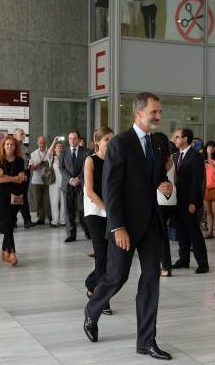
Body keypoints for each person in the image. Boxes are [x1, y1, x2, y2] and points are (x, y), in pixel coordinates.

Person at [84, 92, 173, 360]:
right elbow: (111, 189)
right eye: (154, 112)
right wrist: (118, 226)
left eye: (159, 111)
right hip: (125, 225)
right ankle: (92, 311)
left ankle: (146, 341)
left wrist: (165, 186)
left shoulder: (159, 143)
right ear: (139, 113)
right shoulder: (121, 143)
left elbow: (157, 177)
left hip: (151, 225)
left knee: (150, 281)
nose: (158, 116)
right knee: (116, 277)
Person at [84, 127, 114, 316]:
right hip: (95, 212)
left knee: (110, 257)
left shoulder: (115, 160)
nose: (110, 142)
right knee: (101, 254)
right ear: (98, 142)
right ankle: (102, 299)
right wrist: (107, 209)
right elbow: (90, 191)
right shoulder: (90, 160)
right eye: (107, 140)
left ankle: (91, 284)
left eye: (112, 139)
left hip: (111, 213)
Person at [171, 128, 209, 273]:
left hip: (189, 202)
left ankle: (203, 264)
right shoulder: (175, 156)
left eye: (177, 137)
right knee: (181, 232)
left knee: (194, 233)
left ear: (185, 139)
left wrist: (193, 202)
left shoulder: (196, 156)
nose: (174, 139)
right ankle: (183, 260)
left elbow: (197, 182)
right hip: (177, 201)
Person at [0, 135, 24, 267]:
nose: (9, 147)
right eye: (7, 144)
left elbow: (22, 179)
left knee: (10, 223)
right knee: (7, 221)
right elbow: (0, 180)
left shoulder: (20, 161)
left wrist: (8, 177)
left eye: (12, 144)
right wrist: (14, 178)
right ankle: (12, 252)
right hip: (1, 195)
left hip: (16, 196)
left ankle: (3, 250)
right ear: (3, 146)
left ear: (15, 146)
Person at [60, 130, 89, 242]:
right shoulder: (64, 152)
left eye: (74, 138)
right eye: (70, 138)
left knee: (83, 210)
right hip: (67, 185)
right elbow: (61, 168)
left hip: (80, 185)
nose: (72, 140)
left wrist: (79, 179)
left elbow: (86, 167)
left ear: (79, 139)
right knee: (68, 211)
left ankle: (88, 232)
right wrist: (71, 179)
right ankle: (71, 235)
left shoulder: (85, 152)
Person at [156, 133, 176, 277]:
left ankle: (166, 266)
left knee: (161, 236)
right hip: (171, 200)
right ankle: (164, 265)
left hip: (160, 201)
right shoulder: (171, 159)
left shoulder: (158, 160)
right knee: (162, 234)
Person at [13, 128, 35, 229]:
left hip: (26, 173)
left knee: (22, 197)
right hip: (16, 175)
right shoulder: (11, 146)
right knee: (18, 197)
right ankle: (20, 220)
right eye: (21, 134)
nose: (23, 135)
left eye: (24, 134)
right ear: (15, 135)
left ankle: (25, 221)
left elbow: (29, 160)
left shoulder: (25, 147)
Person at [29, 136, 52, 225]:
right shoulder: (33, 154)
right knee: (38, 200)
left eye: (43, 143)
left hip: (48, 180)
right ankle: (41, 218)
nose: (42, 144)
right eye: (40, 143)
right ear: (38, 143)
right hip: (36, 181)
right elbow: (30, 167)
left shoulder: (50, 153)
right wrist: (38, 165)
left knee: (48, 200)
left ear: (46, 143)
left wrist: (47, 165)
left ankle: (50, 217)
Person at [47, 139, 66, 227]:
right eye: (58, 147)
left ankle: (63, 220)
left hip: (64, 183)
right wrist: (54, 141)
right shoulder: (52, 159)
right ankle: (55, 221)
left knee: (64, 202)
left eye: (61, 147)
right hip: (53, 183)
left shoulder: (66, 158)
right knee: (54, 202)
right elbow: (48, 152)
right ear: (55, 149)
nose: (59, 148)